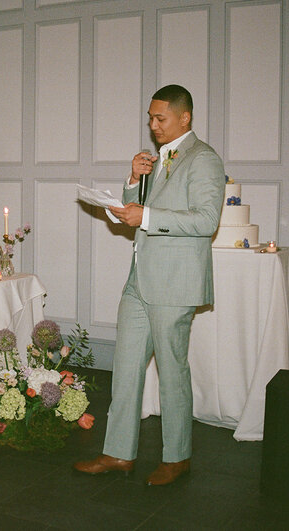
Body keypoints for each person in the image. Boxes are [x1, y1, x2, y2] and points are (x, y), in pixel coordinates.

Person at [74, 85, 225, 486]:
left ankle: (177, 457)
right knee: (124, 369)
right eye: (150, 118)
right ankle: (118, 452)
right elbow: (132, 215)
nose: (153, 125)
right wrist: (132, 179)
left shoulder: (203, 159)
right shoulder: (157, 160)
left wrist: (146, 215)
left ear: (184, 117)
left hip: (174, 283)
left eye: (160, 118)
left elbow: (205, 220)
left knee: (172, 371)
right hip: (139, 279)